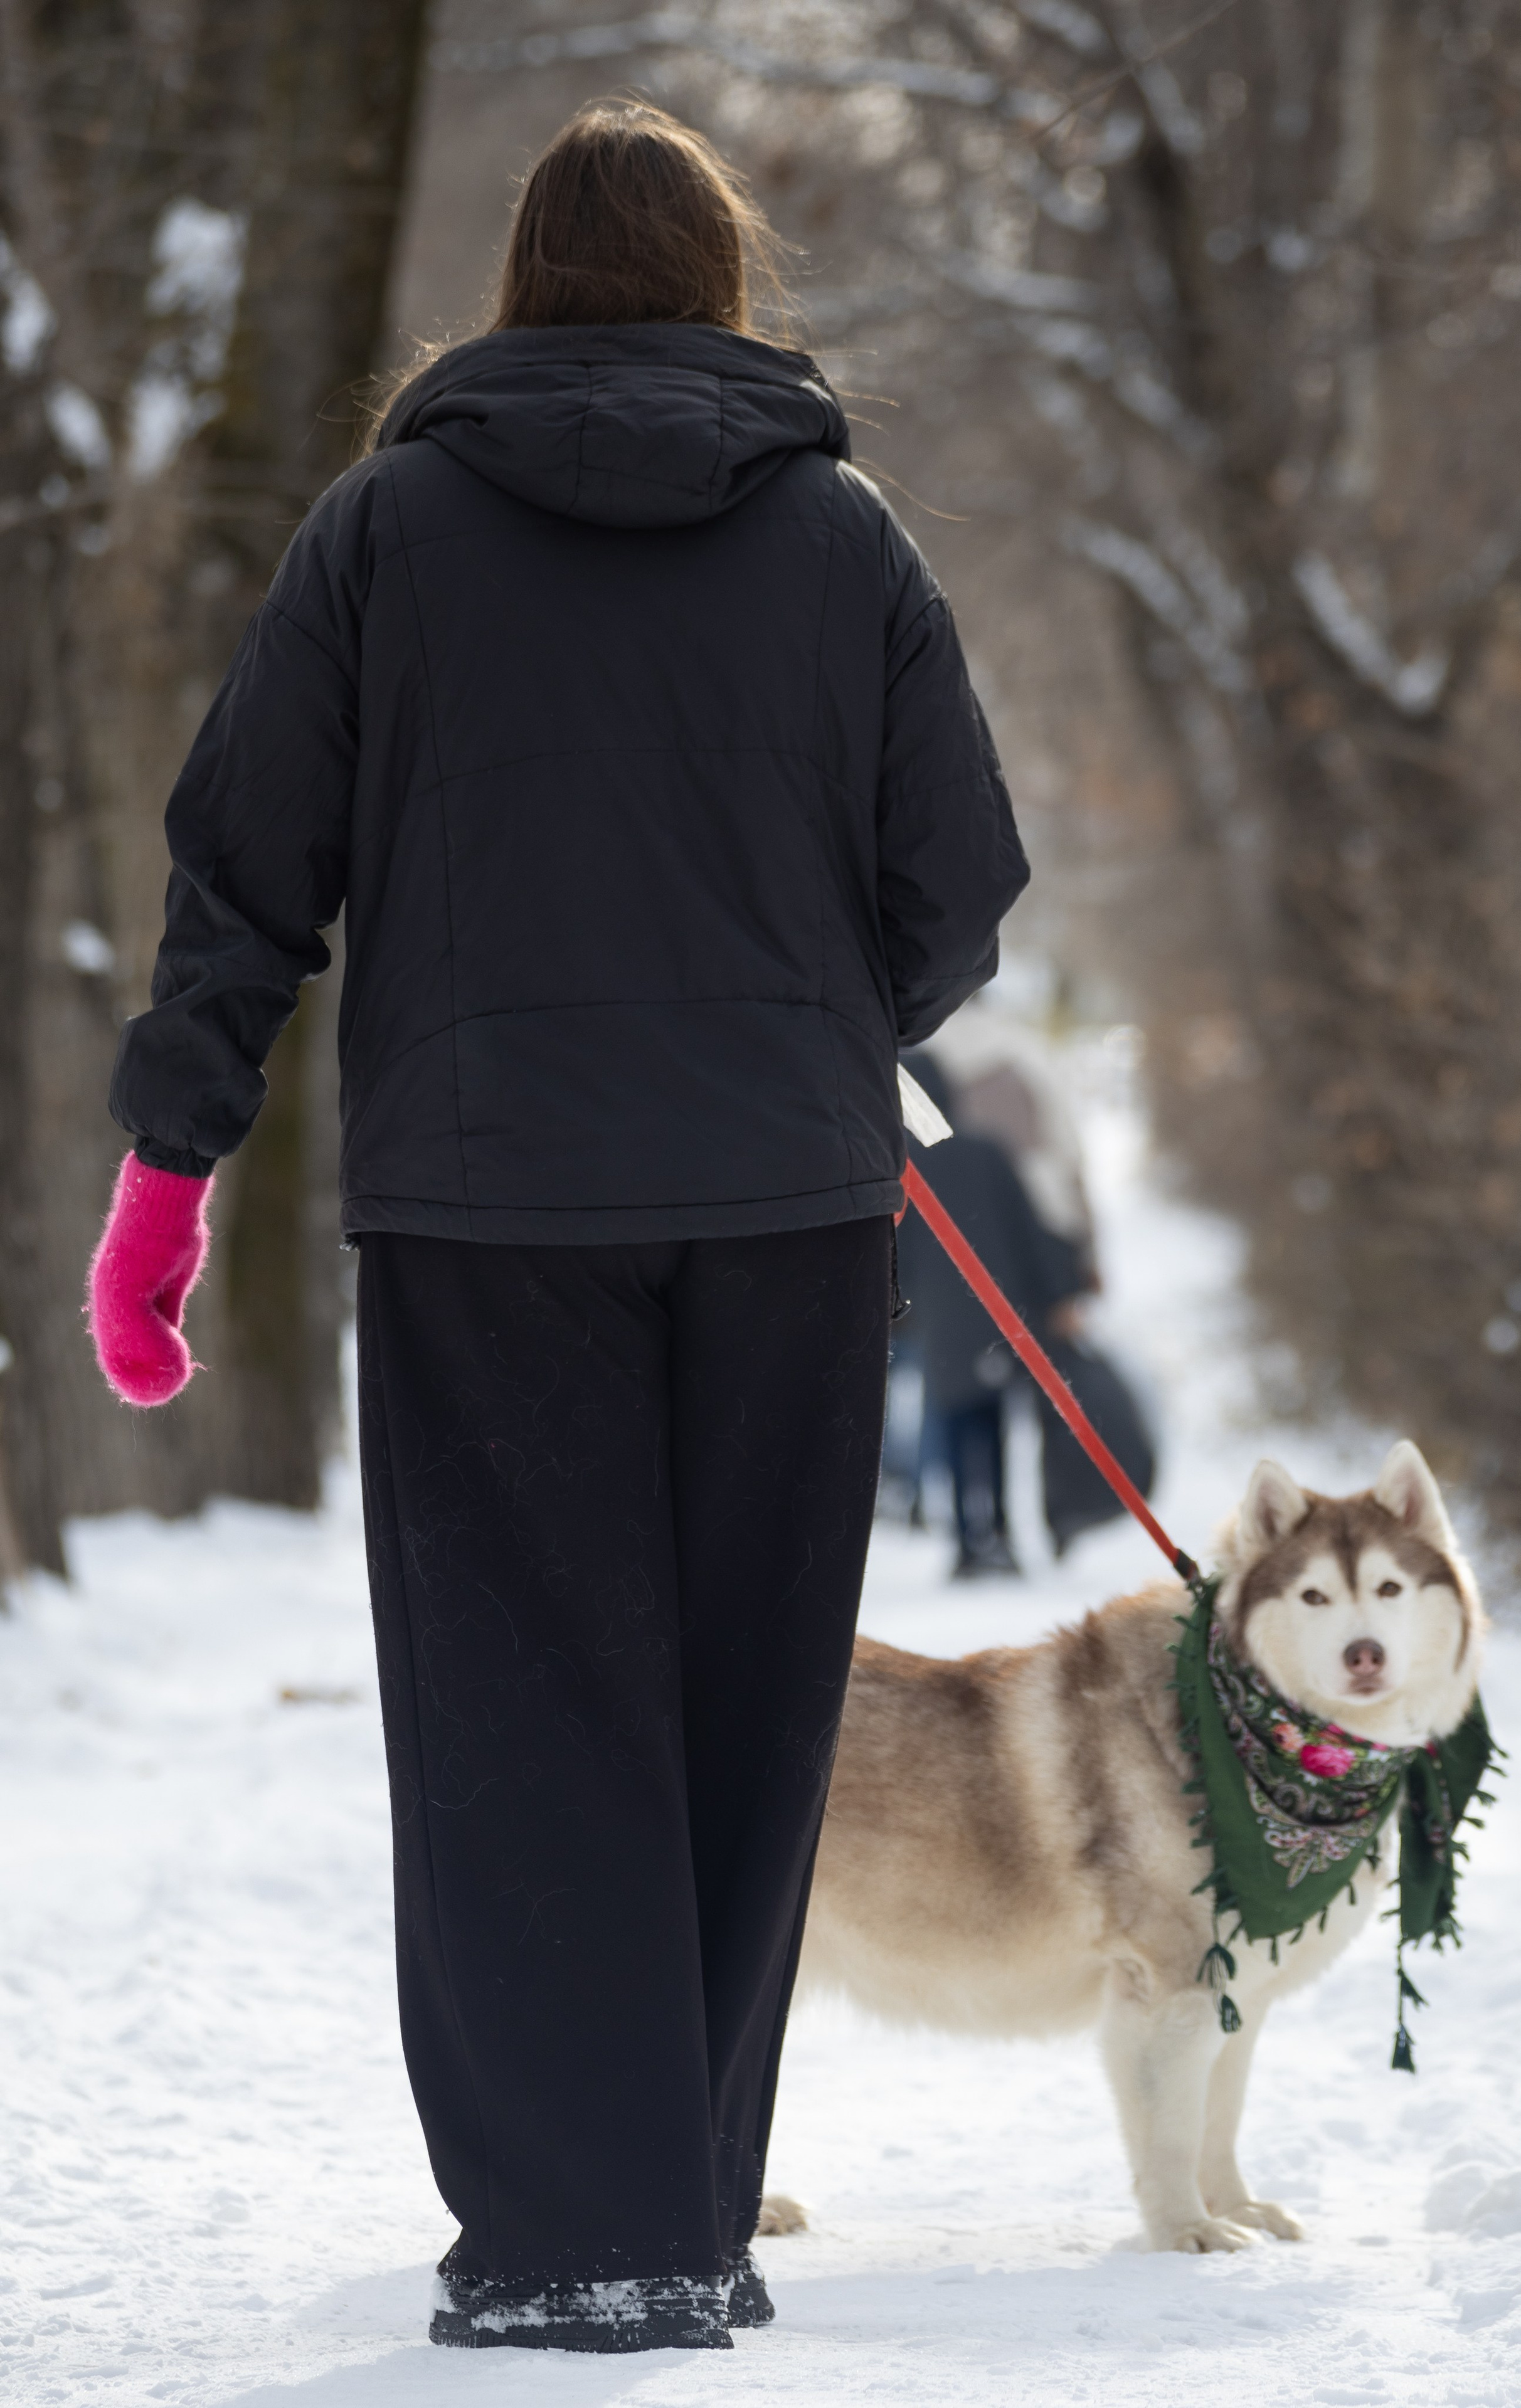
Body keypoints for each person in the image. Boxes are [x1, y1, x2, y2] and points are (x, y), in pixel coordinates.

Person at [83, 102, 1027, 2353]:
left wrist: (166, 1175)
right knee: (739, 1702)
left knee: (521, 1701)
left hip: (483, 1213)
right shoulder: (844, 544)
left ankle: (557, 2234)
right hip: (787, 1219)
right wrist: (812, 1037)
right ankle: (675, 2214)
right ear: (721, 283)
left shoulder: (381, 534)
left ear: (517, 283)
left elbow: (244, 878)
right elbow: (961, 886)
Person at [895, 1052, 1088, 1576]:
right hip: (997, 1314)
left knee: (952, 1424)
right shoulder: (987, 1152)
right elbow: (1031, 1232)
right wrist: (1061, 1291)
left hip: (939, 1325)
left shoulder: (900, 1168)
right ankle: (1000, 1533)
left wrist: (898, 1311)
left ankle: (965, 1543)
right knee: (996, 1424)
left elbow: (898, 1252)